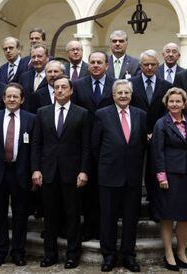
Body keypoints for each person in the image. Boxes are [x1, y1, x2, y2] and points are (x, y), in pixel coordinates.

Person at [31, 75, 90, 269]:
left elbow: (85, 146)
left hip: (72, 173)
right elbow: (36, 144)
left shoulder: (81, 113)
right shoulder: (42, 112)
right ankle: (50, 254)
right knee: (50, 215)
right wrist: (36, 169)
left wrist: (83, 171)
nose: (60, 90)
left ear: (71, 90)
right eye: (57, 87)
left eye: (64, 87)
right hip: (48, 172)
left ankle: (73, 255)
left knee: (72, 215)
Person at [92, 80, 147, 272]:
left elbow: (141, 145)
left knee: (131, 219)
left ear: (131, 95)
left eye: (126, 93)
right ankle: (108, 255)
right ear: (113, 95)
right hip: (108, 175)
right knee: (108, 217)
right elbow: (95, 146)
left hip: (132, 176)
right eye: (119, 93)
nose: (123, 96)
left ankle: (128, 255)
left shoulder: (141, 115)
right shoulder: (102, 114)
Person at [0, 83, 35, 267]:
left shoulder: (31, 119)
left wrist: (35, 172)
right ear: (3, 99)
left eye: (15, 97)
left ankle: (18, 252)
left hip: (21, 173)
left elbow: (35, 149)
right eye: (8, 96)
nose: (11, 100)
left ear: (22, 99)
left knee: (20, 215)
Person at [72, 51, 116, 241]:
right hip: (85, 141)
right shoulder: (78, 85)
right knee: (87, 188)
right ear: (88, 65)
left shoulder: (115, 84)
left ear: (107, 65)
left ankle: (104, 228)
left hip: (109, 143)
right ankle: (88, 227)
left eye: (100, 62)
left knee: (106, 188)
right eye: (92, 62)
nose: (96, 65)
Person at [151, 87, 187, 271]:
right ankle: (169, 254)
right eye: (171, 101)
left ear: (184, 103)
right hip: (168, 177)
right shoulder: (161, 123)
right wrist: (161, 176)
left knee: (184, 217)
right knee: (168, 217)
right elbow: (157, 151)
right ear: (166, 104)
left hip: (185, 175)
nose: (175, 104)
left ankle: (182, 253)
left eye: (178, 101)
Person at [129, 49, 172, 208]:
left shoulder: (166, 85)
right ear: (140, 65)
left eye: (152, 64)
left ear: (157, 65)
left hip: (158, 133)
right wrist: (143, 132)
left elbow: (167, 111)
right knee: (135, 168)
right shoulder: (131, 84)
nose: (149, 68)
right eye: (145, 64)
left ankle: (154, 203)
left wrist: (155, 132)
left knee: (155, 168)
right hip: (135, 132)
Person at [18, 44, 48, 110]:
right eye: (33, 57)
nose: (36, 59)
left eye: (39, 56)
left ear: (47, 57)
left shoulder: (52, 76)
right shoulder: (24, 77)